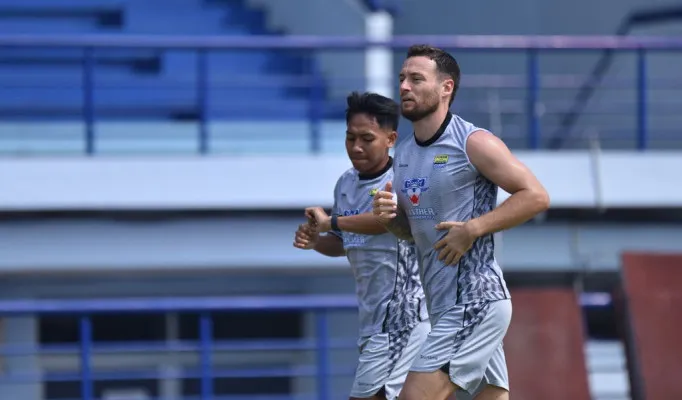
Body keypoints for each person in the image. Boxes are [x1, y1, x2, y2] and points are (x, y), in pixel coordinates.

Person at [372, 45, 550, 400]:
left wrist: (472, 229)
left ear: (446, 88)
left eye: (416, 79)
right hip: (442, 305)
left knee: (414, 397)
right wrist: (391, 221)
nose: (404, 86)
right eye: (402, 79)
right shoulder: (403, 154)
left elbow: (535, 196)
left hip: (475, 300)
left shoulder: (474, 142)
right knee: (491, 395)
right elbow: (416, 233)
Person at [293, 91, 430, 400]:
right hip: (371, 320)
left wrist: (333, 223)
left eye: (366, 138)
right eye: (350, 137)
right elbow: (346, 244)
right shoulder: (345, 184)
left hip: (403, 316)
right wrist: (317, 241)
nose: (356, 147)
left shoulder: (403, 179)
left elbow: (385, 220)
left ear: (390, 138)